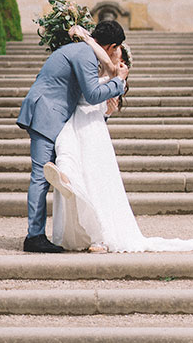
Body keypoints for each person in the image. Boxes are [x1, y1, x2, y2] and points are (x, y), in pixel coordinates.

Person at [44, 26, 193, 253]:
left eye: (119, 52)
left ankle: (100, 236)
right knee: (65, 149)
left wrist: (114, 84)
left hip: (91, 126)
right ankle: (66, 180)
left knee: (95, 178)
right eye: (114, 48)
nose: (115, 53)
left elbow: (106, 108)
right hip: (74, 119)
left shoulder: (116, 75)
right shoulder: (92, 64)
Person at [17, 20, 129, 253]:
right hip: (46, 114)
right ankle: (34, 236)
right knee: (40, 177)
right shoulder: (86, 54)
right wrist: (118, 81)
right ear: (111, 46)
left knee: (54, 173)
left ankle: (46, 230)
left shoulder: (78, 49)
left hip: (50, 113)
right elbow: (92, 93)